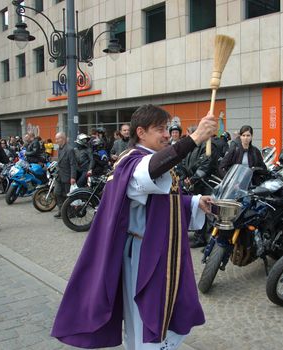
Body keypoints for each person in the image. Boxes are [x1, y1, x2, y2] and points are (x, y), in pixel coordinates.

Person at [51, 104, 216, 349]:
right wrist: (194, 138)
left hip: (159, 251)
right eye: (159, 129)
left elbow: (158, 200)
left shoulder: (146, 160)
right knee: (143, 317)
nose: (166, 134)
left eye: (166, 128)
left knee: (156, 312)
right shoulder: (133, 162)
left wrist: (192, 201)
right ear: (141, 132)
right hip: (143, 254)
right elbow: (150, 172)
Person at [180, 126, 220, 248]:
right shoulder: (192, 147)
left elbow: (205, 165)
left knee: (206, 210)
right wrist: (184, 177)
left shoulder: (209, 145)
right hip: (194, 183)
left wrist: (192, 179)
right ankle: (199, 237)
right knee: (197, 209)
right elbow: (183, 163)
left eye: (190, 134)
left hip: (206, 183)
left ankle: (205, 238)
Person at [53, 132, 77, 218]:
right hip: (59, 175)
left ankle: (70, 213)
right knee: (57, 193)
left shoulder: (70, 149)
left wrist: (73, 177)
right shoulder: (59, 148)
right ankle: (61, 210)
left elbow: (73, 164)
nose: (56, 141)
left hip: (67, 175)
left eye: (57, 139)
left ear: (62, 139)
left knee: (67, 195)